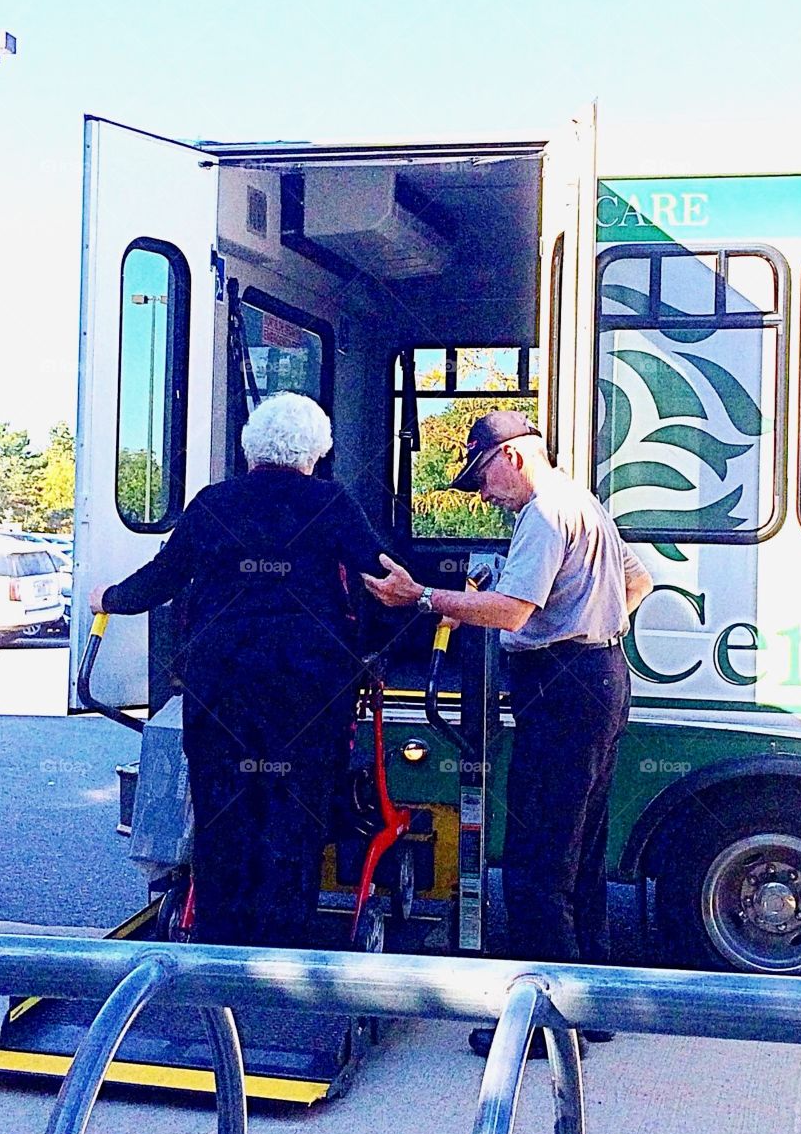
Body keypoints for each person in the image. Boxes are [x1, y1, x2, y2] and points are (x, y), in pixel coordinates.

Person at [363, 410, 653, 1059]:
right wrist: (586, 619)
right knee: (581, 853)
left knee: (534, 864)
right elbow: (638, 582)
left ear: (512, 458)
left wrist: (423, 597)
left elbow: (510, 612)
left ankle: (544, 1026)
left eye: (483, 477)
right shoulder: (583, 504)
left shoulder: (545, 514)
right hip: (602, 675)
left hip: (561, 686)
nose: (484, 494)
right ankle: (591, 1008)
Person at [89, 392, 390, 949]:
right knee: (294, 816)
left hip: (221, 686)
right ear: (316, 453)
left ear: (251, 449)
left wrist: (109, 597)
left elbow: (163, 577)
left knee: (222, 813)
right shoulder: (332, 503)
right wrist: (387, 642)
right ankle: (281, 950)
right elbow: (382, 577)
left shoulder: (213, 503)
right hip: (308, 690)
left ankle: (220, 946)